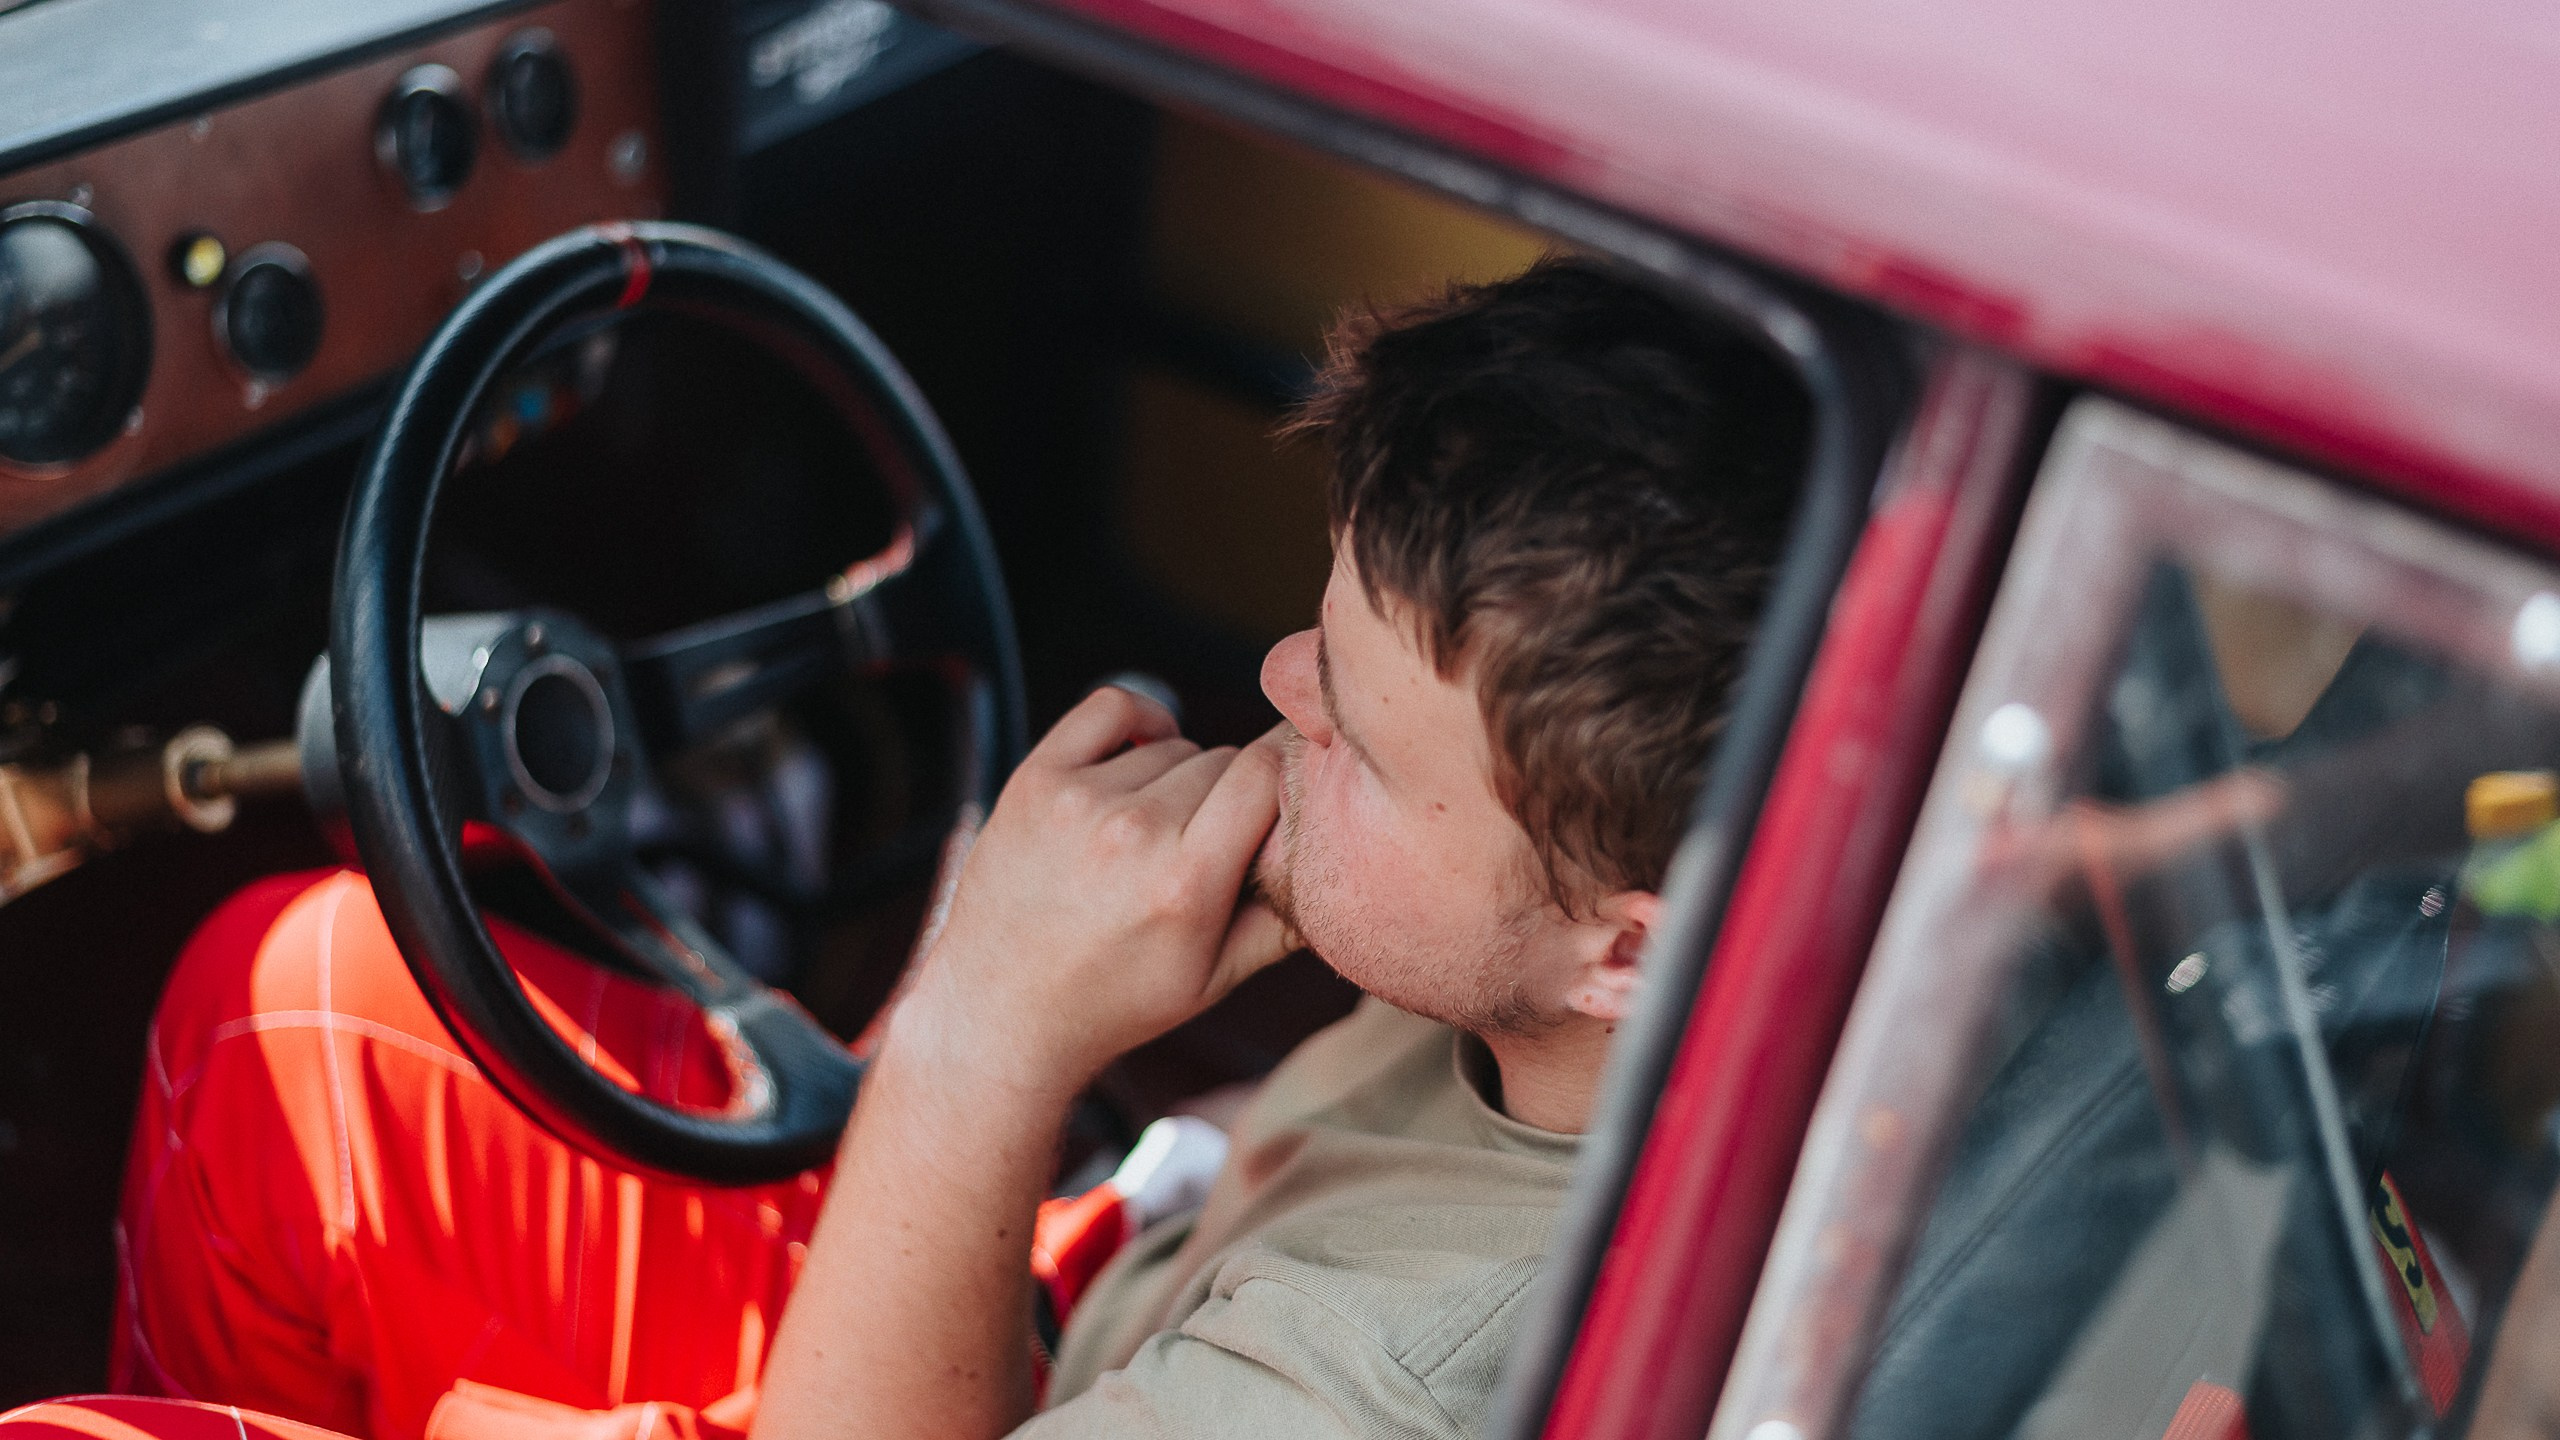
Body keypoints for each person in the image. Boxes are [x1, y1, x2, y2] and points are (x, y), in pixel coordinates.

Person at [20, 257, 1803, 1440]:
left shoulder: (1375, 1397)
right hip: (1092, 1290)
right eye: (1315, 634)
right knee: (298, 1004)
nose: (1273, 688)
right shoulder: (1630, 961)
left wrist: (992, 1015)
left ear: (1635, 948)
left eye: (1352, 721)